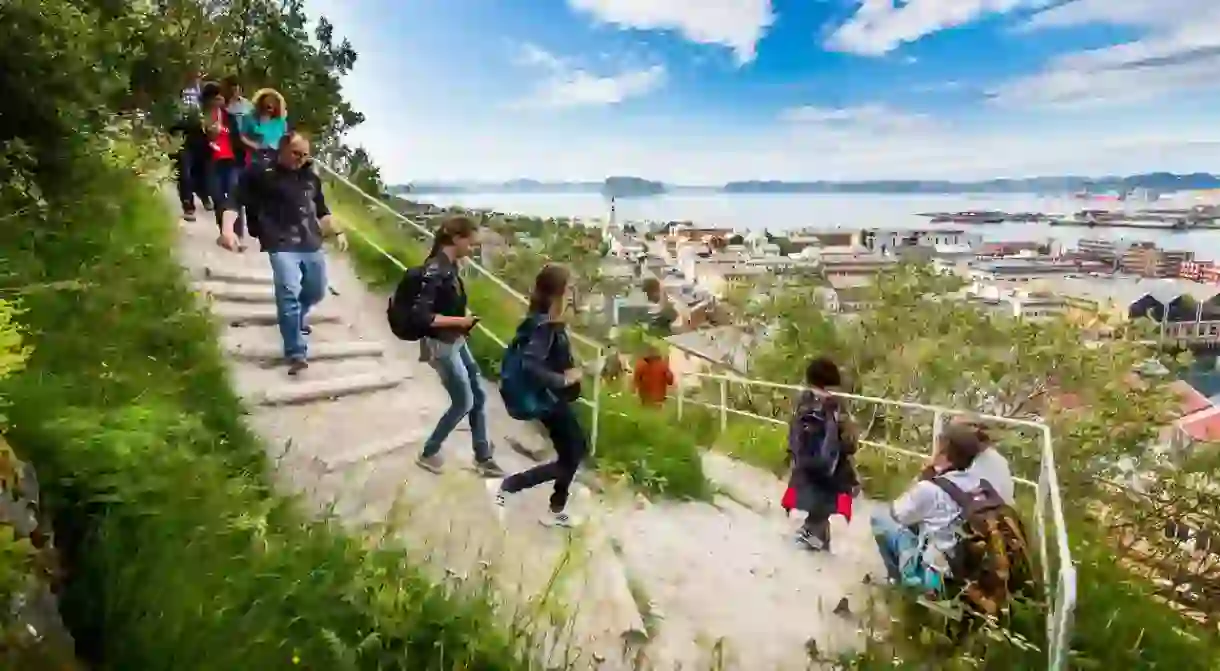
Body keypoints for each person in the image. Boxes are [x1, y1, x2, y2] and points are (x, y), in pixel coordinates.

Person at [225, 132, 346, 375]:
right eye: (296, 153)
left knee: (316, 290)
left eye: (305, 155)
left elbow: (322, 210)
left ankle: (296, 319)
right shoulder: (260, 173)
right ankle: (296, 352)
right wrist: (228, 230)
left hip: (311, 242)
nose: (301, 159)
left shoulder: (311, 178)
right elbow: (234, 200)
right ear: (282, 149)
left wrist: (338, 232)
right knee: (289, 290)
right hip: (278, 241)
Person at [490, 264, 588, 529]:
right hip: (550, 400)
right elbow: (531, 365)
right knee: (574, 453)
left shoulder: (545, 320)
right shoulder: (544, 325)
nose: (571, 294)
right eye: (569, 288)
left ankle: (555, 509)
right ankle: (507, 487)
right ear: (559, 292)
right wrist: (564, 379)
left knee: (574, 452)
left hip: (553, 399)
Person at [413, 216, 504, 478]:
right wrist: (461, 321)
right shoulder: (436, 270)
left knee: (478, 393)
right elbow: (423, 317)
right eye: (470, 243)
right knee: (463, 401)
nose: (472, 249)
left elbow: (445, 303)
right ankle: (429, 452)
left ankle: (483, 455)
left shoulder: (450, 266)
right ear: (456, 239)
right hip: (440, 345)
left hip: (455, 339)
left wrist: (462, 318)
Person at [871, 424, 985, 591]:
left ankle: (900, 582)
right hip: (966, 567)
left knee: (879, 519)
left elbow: (897, 514)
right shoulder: (978, 484)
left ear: (944, 455)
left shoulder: (930, 489)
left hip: (936, 578)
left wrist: (922, 478)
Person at [786, 357, 859, 552]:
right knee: (826, 499)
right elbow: (851, 441)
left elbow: (793, 432)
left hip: (805, 464)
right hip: (833, 468)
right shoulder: (837, 405)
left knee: (814, 499)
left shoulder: (802, 400)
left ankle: (815, 534)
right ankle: (817, 535)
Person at [202, 82, 248, 250]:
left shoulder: (229, 118)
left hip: (231, 161)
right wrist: (210, 134)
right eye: (215, 97)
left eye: (220, 96)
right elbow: (200, 142)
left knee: (235, 196)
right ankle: (225, 233)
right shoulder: (203, 118)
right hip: (212, 161)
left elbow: (238, 140)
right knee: (218, 197)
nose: (218, 100)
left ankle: (238, 236)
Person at [241, 88, 289, 154]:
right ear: (261, 102)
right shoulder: (248, 118)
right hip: (254, 156)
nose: (270, 104)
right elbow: (242, 136)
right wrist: (253, 145)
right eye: (268, 100)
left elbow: (284, 140)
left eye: (273, 101)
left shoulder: (282, 123)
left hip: (275, 156)